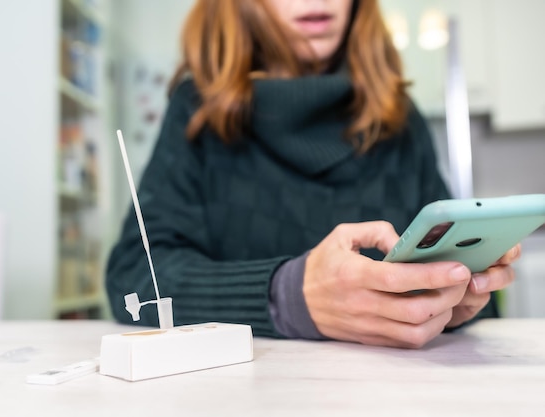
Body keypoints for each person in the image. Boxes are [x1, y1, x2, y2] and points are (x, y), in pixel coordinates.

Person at [106, 0, 519, 348]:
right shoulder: (196, 110)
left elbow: (475, 298)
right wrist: (285, 297)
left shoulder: (400, 118)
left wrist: (453, 306)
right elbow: (133, 278)